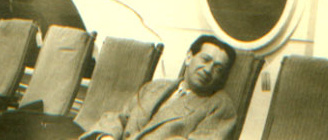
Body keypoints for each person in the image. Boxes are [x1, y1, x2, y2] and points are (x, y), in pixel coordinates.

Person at [79, 35, 237, 140]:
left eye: (218, 69)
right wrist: (108, 137)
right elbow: (121, 117)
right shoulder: (155, 87)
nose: (208, 70)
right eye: (205, 60)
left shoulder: (220, 106)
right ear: (189, 57)